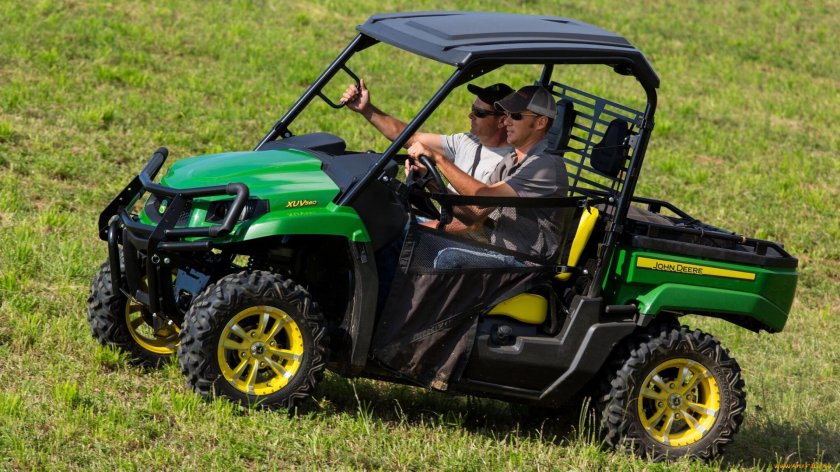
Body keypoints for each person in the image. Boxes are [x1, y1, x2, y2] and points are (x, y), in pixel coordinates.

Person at [407, 85, 570, 263]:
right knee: (404, 228)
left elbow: (482, 198)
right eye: (507, 114)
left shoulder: (545, 165)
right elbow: (473, 214)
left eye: (516, 116)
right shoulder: (510, 161)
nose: (506, 121)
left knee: (450, 259)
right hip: (494, 253)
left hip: (524, 264)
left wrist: (439, 159)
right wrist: (430, 181)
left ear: (541, 122)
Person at [340, 80, 514, 188]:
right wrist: (367, 110)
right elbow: (410, 137)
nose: (470, 115)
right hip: (445, 223)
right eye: (472, 109)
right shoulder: (467, 141)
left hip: (464, 241)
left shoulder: (508, 164)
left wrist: (438, 160)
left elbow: (475, 219)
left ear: (502, 121)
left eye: (479, 113)